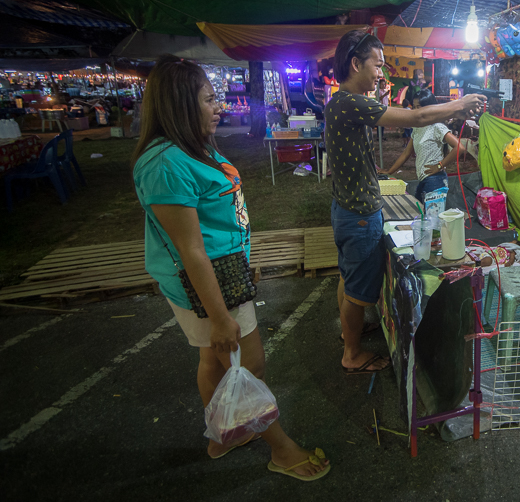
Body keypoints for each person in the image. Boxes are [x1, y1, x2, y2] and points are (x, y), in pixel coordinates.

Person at [132, 55, 330, 482]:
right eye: (208, 99)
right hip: (204, 281)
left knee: (214, 357)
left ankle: (224, 436)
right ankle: (280, 449)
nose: (219, 106)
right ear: (181, 105)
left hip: (225, 271)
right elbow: (191, 250)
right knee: (247, 364)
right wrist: (220, 315)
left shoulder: (193, 147)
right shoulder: (165, 163)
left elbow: (216, 223)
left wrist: (243, 263)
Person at [326, 30, 485, 375]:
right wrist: (460, 104)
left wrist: (380, 96)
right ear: (355, 64)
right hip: (358, 214)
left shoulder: (344, 103)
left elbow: (392, 115)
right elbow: (415, 118)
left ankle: (348, 332)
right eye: (377, 64)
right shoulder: (350, 103)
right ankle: (352, 353)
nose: (382, 72)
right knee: (357, 291)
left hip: (346, 209)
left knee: (347, 278)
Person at [380, 89, 462, 202]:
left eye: (420, 107)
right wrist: (390, 171)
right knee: (422, 214)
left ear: (430, 108)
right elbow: (406, 153)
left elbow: (460, 148)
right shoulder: (417, 128)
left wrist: (439, 166)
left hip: (435, 180)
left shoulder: (437, 127)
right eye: (414, 107)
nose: (416, 110)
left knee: (432, 217)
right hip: (423, 179)